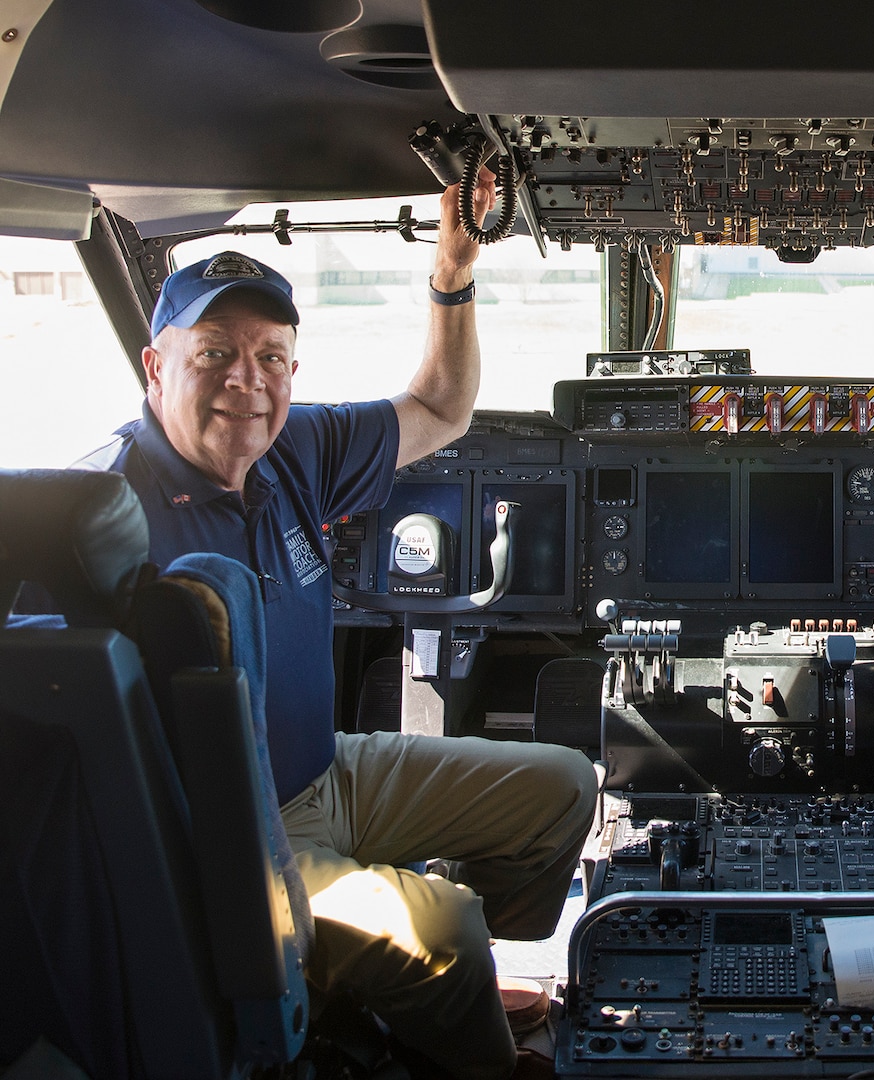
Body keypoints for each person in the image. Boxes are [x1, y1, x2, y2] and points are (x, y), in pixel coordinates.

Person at [96, 172, 598, 1079]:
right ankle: (468, 1040)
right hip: (231, 838)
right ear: (155, 364)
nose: (247, 382)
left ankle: (434, 984)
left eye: (272, 357)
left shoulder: (294, 449)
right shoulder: (103, 516)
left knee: (563, 785)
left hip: (324, 768)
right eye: (215, 353)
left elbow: (443, 409)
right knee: (439, 927)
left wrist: (451, 275)